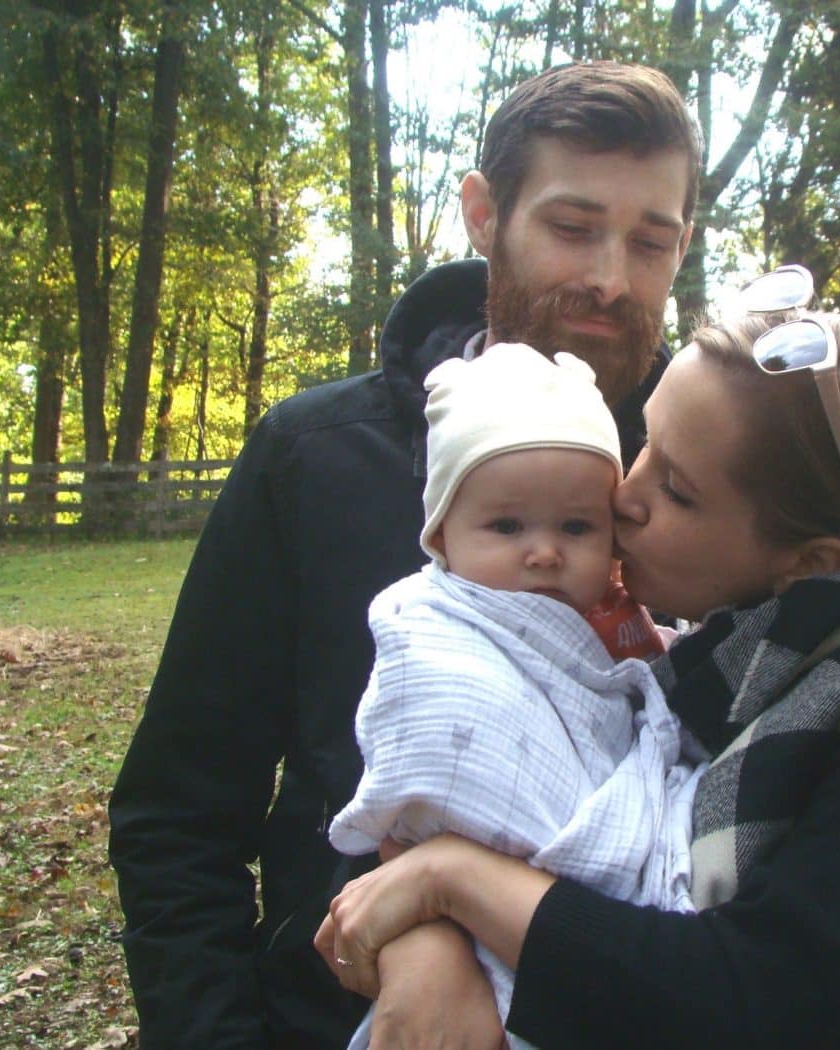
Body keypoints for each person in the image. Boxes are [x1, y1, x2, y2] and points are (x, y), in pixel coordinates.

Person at [108, 61, 701, 1048]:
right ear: (483, 214)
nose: (610, 277)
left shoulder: (719, 483)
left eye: (651, 241)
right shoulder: (317, 458)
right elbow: (180, 811)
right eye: (571, 226)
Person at [316, 294, 840, 1050]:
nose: (622, 497)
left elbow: (760, 1005)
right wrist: (433, 941)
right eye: (645, 443)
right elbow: (454, 793)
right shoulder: (723, 658)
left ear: (810, 562)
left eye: (676, 489)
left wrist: (452, 881)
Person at [330, 343, 703, 1050]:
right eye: (507, 526)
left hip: (568, 937)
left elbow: (646, 707)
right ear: (441, 535)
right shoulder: (432, 630)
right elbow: (432, 750)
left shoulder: (620, 624)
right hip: (478, 946)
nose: (545, 552)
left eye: (577, 527)